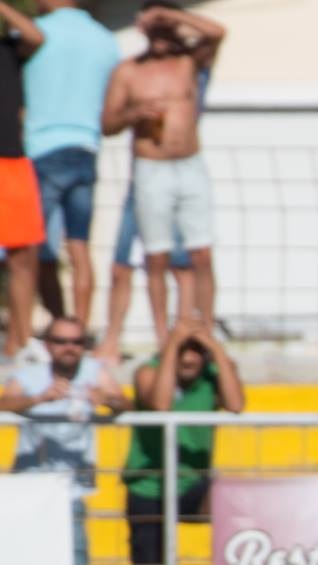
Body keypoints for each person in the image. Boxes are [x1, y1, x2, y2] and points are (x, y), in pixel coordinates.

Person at [125, 320, 244, 565]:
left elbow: (238, 404)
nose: (191, 356)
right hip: (149, 486)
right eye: (184, 349)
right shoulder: (148, 372)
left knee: (238, 516)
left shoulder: (212, 373)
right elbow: (159, 404)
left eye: (198, 349)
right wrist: (174, 343)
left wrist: (216, 346)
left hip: (193, 486)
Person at [101, 3, 225, 331]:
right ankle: (162, 334)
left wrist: (168, 16)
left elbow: (217, 32)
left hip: (189, 164)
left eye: (162, 27)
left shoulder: (187, 63)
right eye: (152, 27)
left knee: (201, 254)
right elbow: (108, 123)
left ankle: (206, 330)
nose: (157, 34)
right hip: (151, 167)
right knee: (156, 257)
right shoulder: (128, 71)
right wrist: (134, 115)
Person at [2, 316, 131, 565]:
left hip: (71, 493)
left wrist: (107, 400)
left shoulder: (96, 373)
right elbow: (4, 402)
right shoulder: (30, 376)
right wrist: (38, 399)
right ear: (47, 345)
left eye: (77, 342)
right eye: (61, 341)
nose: (69, 348)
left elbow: (125, 404)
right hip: (30, 493)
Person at [24, 0, 119, 334]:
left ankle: (53, 326)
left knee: (31, 247)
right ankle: (77, 328)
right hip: (86, 147)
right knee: (79, 247)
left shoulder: (36, 33)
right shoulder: (105, 39)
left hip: (43, 149)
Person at [0, 4, 45, 360]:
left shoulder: (9, 46)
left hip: (10, 160)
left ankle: (20, 341)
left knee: (23, 256)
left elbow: (35, 37)